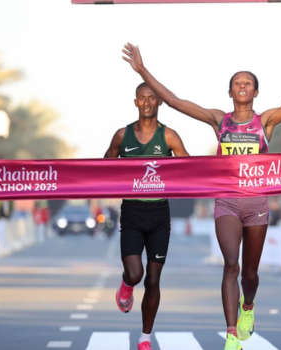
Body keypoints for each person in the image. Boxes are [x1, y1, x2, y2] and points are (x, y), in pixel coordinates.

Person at [122, 39, 281, 350]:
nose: (242, 86)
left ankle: (249, 307)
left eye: (248, 83)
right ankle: (231, 335)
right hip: (226, 201)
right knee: (231, 264)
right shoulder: (219, 120)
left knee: (250, 274)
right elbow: (174, 101)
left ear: (256, 92)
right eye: (237, 83)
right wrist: (142, 69)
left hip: (257, 204)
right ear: (230, 92)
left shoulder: (265, 120)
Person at [104, 82, 189, 350]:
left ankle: (145, 338)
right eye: (142, 98)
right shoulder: (122, 135)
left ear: (159, 102)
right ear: (136, 102)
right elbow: (103, 166)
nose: (148, 102)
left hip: (159, 214)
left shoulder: (169, 136)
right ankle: (126, 285)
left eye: (152, 98)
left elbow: (188, 167)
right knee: (135, 272)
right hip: (132, 212)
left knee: (153, 279)